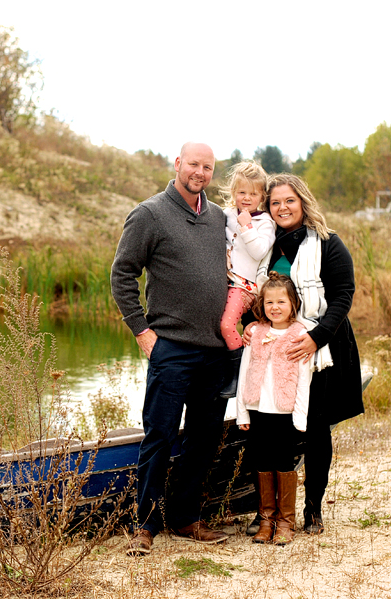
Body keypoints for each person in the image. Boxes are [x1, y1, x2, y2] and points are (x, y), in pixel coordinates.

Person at [110, 142, 230, 556]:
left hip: (215, 351)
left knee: (202, 438)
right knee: (159, 436)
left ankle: (185, 519)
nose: (200, 172)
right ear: (178, 164)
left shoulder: (219, 219)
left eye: (208, 167)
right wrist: (142, 332)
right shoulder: (149, 214)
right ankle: (143, 526)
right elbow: (122, 274)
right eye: (193, 164)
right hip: (171, 348)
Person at [243, 173, 364, 536]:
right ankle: (266, 513)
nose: (282, 208)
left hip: (322, 347)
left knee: (315, 430)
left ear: (303, 202)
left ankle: (312, 511)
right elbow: (257, 294)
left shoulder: (328, 244)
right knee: (266, 428)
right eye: (275, 202)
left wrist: (315, 338)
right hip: (273, 349)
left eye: (289, 201)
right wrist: (250, 324)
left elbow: (343, 295)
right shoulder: (265, 246)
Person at [235, 272, 311, 545]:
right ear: (262, 305)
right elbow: (244, 372)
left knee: (283, 464)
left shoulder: (300, 334)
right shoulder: (256, 332)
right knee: (262, 463)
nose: (275, 307)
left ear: (293, 304)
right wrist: (242, 411)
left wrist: (300, 416)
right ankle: (265, 519)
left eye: (281, 302)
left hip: (285, 412)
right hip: (258, 411)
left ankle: (285, 522)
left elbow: (304, 379)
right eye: (269, 302)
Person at [218, 160, 276, 399]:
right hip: (224, 283)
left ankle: (238, 375)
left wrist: (246, 227)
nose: (246, 197)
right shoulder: (226, 215)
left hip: (245, 287)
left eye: (253, 193)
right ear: (233, 192)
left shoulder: (265, 223)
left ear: (262, 195)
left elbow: (259, 252)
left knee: (226, 325)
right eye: (241, 192)